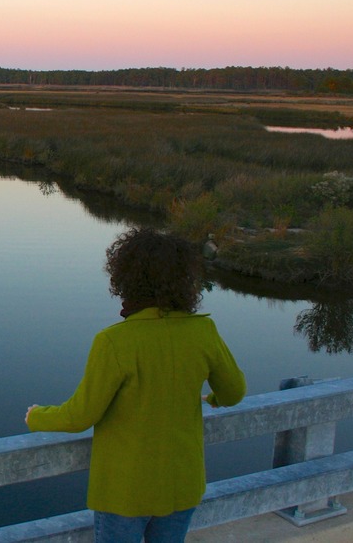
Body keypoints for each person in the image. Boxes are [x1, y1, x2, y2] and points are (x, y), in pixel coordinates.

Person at [25, 227, 245, 543]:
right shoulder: (203, 331)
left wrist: (37, 417)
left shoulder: (114, 342)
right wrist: (212, 399)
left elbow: (80, 416)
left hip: (125, 492)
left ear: (125, 278)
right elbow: (234, 391)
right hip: (181, 484)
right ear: (185, 279)